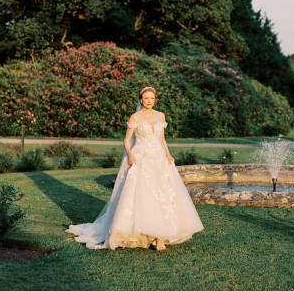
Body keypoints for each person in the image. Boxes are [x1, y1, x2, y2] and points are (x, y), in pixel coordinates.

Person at [66, 86, 204, 251]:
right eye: (146, 98)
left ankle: (160, 238)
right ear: (141, 99)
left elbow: (162, 139)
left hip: (159, 160)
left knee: (164, 195)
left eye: (152, 98)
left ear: (155, 99)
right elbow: (126, 140)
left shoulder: (160, 116)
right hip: (141, 159)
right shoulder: (135, 117)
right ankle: (143, 231)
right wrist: (130, 155)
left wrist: (168, 155)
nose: (149, 101)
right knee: (145, 196)